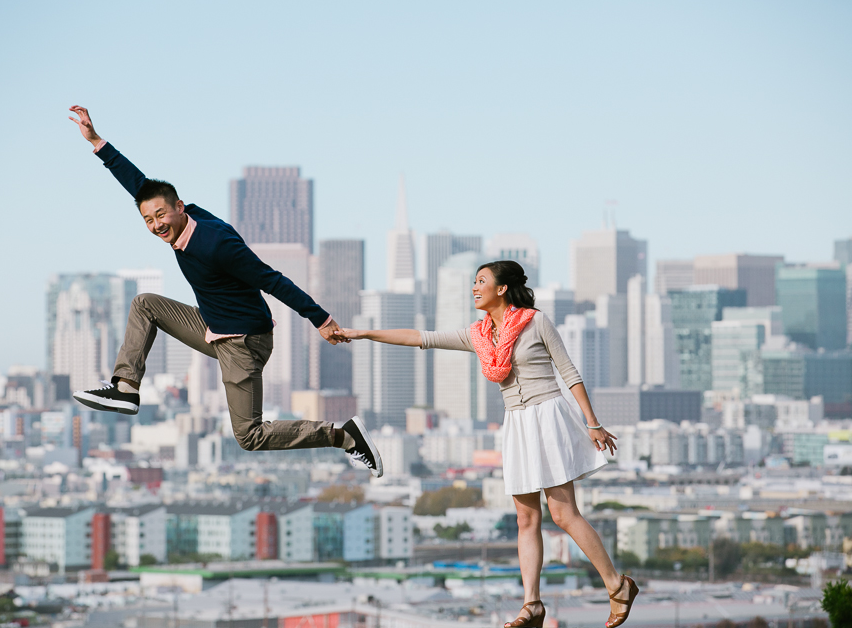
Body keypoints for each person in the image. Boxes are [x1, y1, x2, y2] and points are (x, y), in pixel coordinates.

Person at [66, 105, 382, 477]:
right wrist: (98, 143)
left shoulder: (216, 244)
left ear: (179, 207)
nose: (155, 226)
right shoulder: (181, 214)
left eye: (161, 216)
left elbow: (271, 278)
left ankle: (344, 436)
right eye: (148, 220)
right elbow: (142, 186)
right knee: (145, 304)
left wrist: (322, 319)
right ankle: (125, 388)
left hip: (244, 342)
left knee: (250, 435)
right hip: (213, 324)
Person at [340, 261, 637, 627]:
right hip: (516, 424)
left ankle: (617, 585)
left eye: (481, 281)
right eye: (473, 281)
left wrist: (593, 422)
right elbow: (421, 337)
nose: (474, 287)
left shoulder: (535, 320)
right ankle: (532, 605)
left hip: (548, 416)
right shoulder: (478, 335)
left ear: (502, 288)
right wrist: (362, 334)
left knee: (563, 514)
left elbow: (569, 373)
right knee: (525, 517)